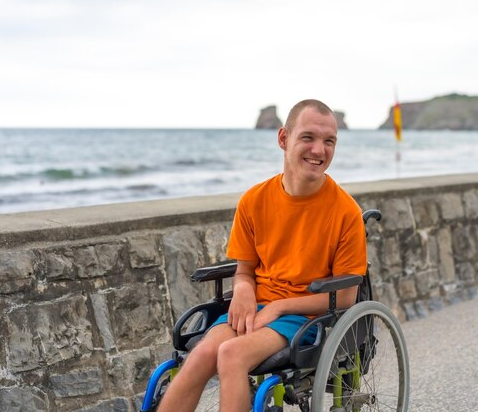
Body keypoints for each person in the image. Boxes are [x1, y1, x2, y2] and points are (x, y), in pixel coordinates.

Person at [157, 99, 367, 412]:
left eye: (329, 141)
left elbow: (347, 298)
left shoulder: (345, 212)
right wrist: (242, 291)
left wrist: (279, 308)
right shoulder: (255, 200)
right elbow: (245, 270)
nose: (319, 150)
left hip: (305, 318)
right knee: (201, 354)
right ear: (284, 139)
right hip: (255, 308)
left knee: (230, 355)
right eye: (307, 137)